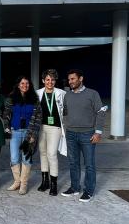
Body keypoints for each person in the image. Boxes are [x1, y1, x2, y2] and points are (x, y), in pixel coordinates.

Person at [60, 69, 107, 202]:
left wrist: (98, 132)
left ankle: (89, 191)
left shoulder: (92, 94)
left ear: (81, 79)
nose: (70, 82)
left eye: (73, 79)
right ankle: (75, 188)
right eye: (69, 79)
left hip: (87, 134)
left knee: (89, 164)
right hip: (71, 134)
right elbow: (64, 113)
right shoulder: (67, 95)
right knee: (73, 162)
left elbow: (101, 112)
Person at [3, 76, 42, 195]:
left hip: (28, 133)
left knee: (27, 158)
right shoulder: (11, 98)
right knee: (14, 158)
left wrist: (33, 135)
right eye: (22, 83)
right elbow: (6, 114)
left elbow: (38, 118)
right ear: (18, 85)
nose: (25, 85)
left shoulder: (34, 99)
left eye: (27, 83)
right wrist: (6, 127)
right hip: (15, 132)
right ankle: (17, 182)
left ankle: (24, 184)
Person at [35, 69, 67, 195]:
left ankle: (54, 183)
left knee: (51, 154)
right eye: (47, 79)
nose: (50, 82)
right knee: (43, 153)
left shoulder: (62, 93)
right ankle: (45, 181)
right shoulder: (38, 93)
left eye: (52, 80)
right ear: (43, 81)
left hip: (55, 128)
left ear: (55, 81)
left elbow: (66, 111)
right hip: (41, 127)